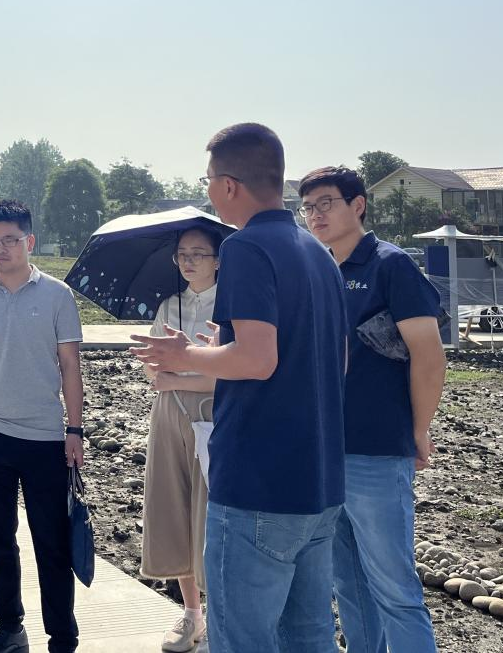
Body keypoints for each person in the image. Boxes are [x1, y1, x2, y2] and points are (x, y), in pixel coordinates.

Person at [131, 123, 348, 653]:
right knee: (309, 636)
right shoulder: (317, 251)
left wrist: (185, 355)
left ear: (228, 185)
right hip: (319, 481)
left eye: (208, 180)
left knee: (243, 640)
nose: (208, 190)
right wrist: (217, 349)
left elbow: (256, 359)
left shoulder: (247, 247)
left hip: (257, 486)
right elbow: (332, 360)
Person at [299, 167, 445, 653]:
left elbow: (429, 356)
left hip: (377, 449)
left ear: (358, 205)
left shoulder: (389, 265)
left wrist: (419, 429)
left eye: (326, 203)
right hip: (326, 451)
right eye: (308, 207)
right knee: (349, 583)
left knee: (394, 587)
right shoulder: (318, 270)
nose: (316, 215)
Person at [0, 199, 85, 653]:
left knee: (52, 543)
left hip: (46, 439)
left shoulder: (57, 295)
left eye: (10, 240)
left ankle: (62, 636)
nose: (0, 248)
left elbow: (70, 367)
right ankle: (9, 626)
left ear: (29, 241)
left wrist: (74, 430)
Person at [140, 227, 220, 652]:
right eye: (182, 254)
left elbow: (234, 373)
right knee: (173, 505)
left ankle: (220, 618)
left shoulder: (231, 306)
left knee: (212, 513)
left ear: (218, 260)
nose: (188, 261)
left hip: (214, 413)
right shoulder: (169, 306)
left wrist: (178, 374)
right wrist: (169, 374)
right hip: (169, 411)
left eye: (199, 253)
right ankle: (192, 613)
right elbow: (152, 369)